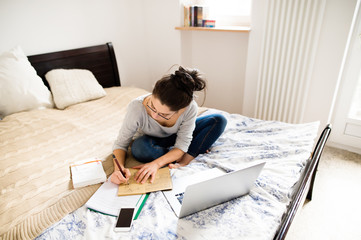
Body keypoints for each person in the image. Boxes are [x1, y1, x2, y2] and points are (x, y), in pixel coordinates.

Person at [110, 66, 227, 185]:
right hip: (151, 140)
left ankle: (185, 159)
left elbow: (182, 143)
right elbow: (120, 144)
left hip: (178, 135)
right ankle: (183, 153)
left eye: (163, 114)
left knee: (218, 120)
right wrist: (118, 170)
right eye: (152, 106)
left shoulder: (190, 108)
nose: (154, 116)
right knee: (139, 148)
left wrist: (156, 164)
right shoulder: (136, 108)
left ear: (181, 110)